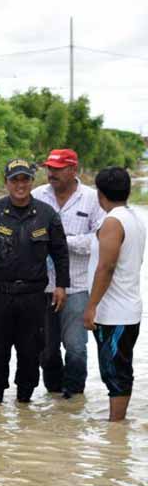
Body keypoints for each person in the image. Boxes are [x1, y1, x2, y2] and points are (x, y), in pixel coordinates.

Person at [0, 159, 70, 404]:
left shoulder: (47, 215)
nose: (20, 185)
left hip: (34, 296)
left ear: (32, 181)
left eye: (25, 179)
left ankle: (24, 406)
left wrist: (61, 285)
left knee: (30, 353)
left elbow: (60, 252)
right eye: (14, 179)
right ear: (5, 182)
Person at [32, 148, 105, 399]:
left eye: (58, 168)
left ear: (73, 169)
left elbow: (98, 240)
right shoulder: (36, 196)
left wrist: (61, 241)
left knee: (76, 348)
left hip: (78, 286)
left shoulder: (93, 199)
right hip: (42, 286)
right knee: (47, 351)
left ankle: (74, 400)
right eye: (49, 168)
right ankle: (54, 401)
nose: (51, 173)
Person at [83, 167, 145, 422]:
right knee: (119, 368)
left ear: (100, 194)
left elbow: (106, 267)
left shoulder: (113, 222)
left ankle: (116, 425)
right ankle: (117, 424)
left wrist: (91, 306)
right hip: (127, 308)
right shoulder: (134, 217)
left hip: (114, 313)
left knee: (115, 371)